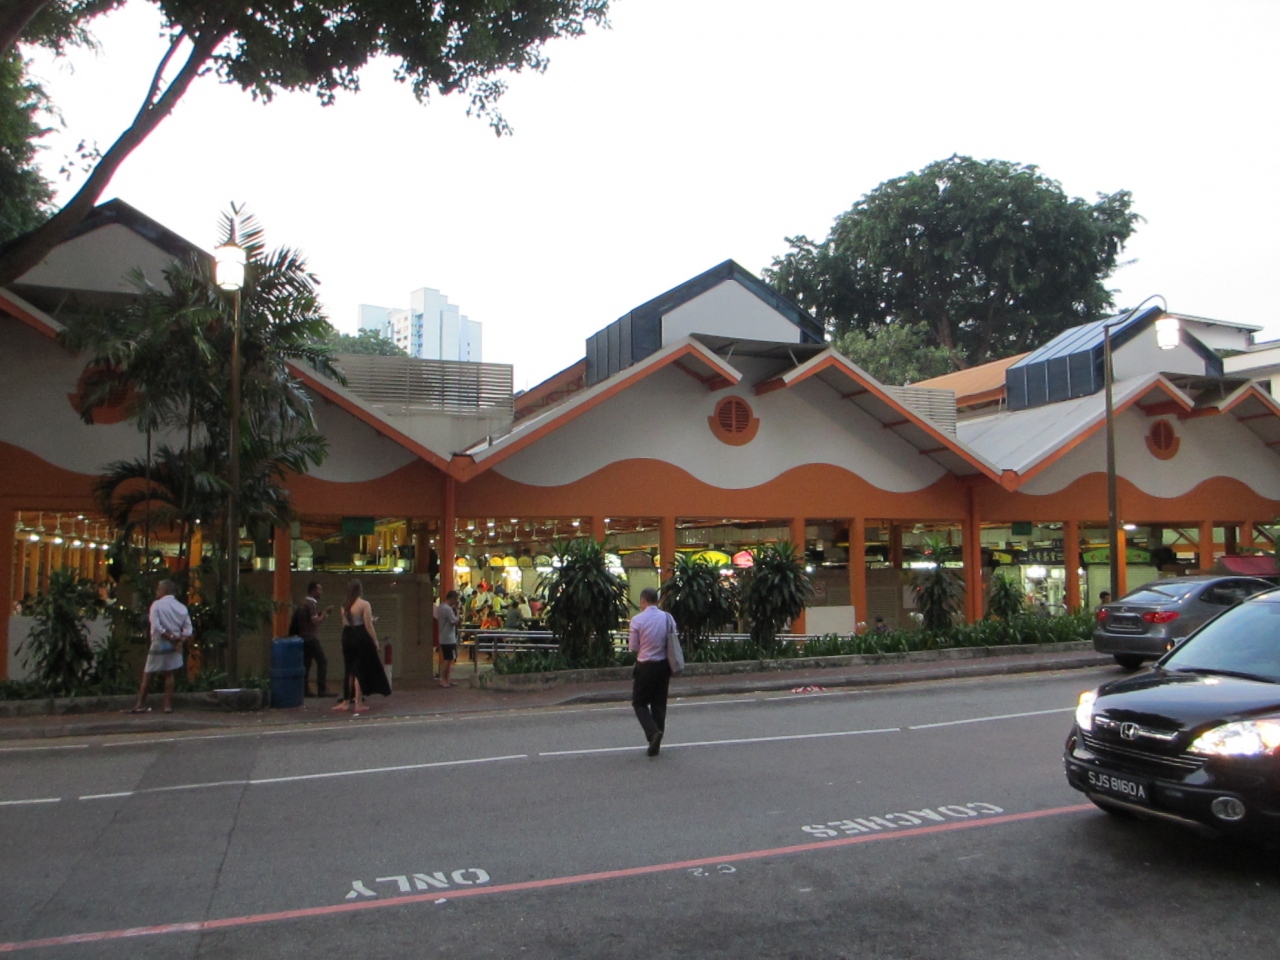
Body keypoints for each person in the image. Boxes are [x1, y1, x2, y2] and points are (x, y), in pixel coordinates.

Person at [130, 579, 192, 715]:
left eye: (158, 589)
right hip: (175, 644)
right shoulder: (181, 607)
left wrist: (169, 636)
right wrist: (179, 640)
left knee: (148, 673)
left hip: (160, 642)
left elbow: (156, 626)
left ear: (164, 590)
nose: (157, 591)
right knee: (169, 673)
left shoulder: (157, 605)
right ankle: (167, 705)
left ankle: (140, 703)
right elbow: (188, 628)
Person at [628, 586, 674, 757]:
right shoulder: (668, 618)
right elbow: (672, 638)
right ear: (657, 600)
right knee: (659, 704)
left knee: (639, 703)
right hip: (663, 665)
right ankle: (656, 743)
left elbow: (633, 647)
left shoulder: (637, 620)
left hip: (645, 665)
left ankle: (652, 732)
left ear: (643, 601)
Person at [333, 580, 391, 714]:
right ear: (360, 590)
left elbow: (345, 623)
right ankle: (358, 702)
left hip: (347, 636)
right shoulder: (364, 604)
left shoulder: (344, 605)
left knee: (349, 670)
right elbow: (368, 626)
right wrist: (375, 641)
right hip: (360, 636)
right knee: (360, 670)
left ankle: (345, 701)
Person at [289, 580, 331, 697]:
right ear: (313, 591)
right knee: (322, 661)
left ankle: (305, 689)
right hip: (311, 638)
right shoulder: (311, 604)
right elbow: (315, 622)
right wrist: (325, 613)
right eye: (319, 589)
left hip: (303, 638)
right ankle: (322, 689)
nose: (321, 592)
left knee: (307, 663)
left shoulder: (303, 603)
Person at [436, 590, 460, 687]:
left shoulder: (440, 607)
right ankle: (443, 680)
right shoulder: (448, 609)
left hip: (443, 636)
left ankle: (447, 679)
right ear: (452, 598)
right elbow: (454, 621)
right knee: (448, 659)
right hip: (449, 637)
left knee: (449, 658)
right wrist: (457, 614)